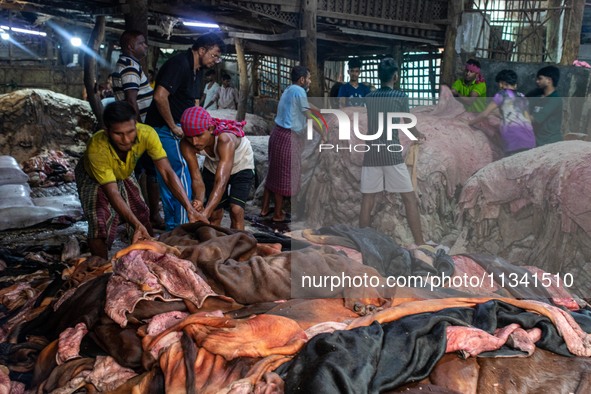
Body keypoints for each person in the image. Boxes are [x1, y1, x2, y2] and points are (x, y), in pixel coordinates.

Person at [75, 101, 206, 259]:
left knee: (141, 213)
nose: (126, 139)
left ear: (136, 124)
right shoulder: (97, 148)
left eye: (130, 132)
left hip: (123, 171)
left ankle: (147, 262)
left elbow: (167, 172)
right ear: (107, 131)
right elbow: (113, 193)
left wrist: (189, 208)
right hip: (93, 176)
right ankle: (101, 267)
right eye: (118, 134)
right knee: (99, 221)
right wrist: (135, 224)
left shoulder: (147, 133)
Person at [145, 32, 225, 230]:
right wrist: (173, 126)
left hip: (182, 130)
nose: (216, 61)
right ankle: (181, 228)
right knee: (179, 177)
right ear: (201, 49)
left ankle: (174, 226)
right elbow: (160, 96)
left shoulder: (197, 71)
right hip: (166, 129)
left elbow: (195, 104)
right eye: (214, 55)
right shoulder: (179, 64)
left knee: (173, 178)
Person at [359, 57, 426, 246]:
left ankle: (363, 241)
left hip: (371, 152)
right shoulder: (400, 97)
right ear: (395, 76)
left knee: (368, 198)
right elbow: (409, 123)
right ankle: (420, 243)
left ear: (379, 76)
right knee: (409, 199)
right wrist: (418, 135)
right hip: (391, 154)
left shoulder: (370, 97)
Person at [111, 29, 164, 230]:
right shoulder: (130, 67)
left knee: (138, 172)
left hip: (135, 127)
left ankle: (137, 214)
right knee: (149, 172)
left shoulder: (126, 65)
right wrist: (138, 129)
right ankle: (152, 216)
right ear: (131, 46)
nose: (146, 46)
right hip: (138, 128)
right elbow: (131, 100)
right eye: (142, 42)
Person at [260, 65, 325, 223]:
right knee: (285, 176)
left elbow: (308, 106)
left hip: (277, 134)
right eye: (308, 78)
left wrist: (323, 111)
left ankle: (264, 209)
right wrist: (324, 133)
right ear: (302, 79)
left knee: (273, 173)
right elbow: (308, 114)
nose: (309, 81)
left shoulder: (290, 89)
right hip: (288, 138)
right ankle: (277, 214)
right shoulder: (299, 91)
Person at [179, 106, 255, 230]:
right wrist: (198, 202)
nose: (194, 142)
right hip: (214, 165)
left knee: (236, 210)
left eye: (199, 135)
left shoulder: (225, 140)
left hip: (241, 163)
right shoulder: (186, 144)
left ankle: (239, 243)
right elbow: (196, 177)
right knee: (215, 213)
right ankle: (214, 243)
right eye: (189, 137)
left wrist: (204, 214)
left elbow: (221, 183)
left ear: (210, 129)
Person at [469, 69, 535, 156]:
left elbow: (485, 114)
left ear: (501, 83)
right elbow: (528, 119)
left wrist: (470, 123)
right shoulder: (522, 97)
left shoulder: (502, 94)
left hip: (513, 140)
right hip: (530, 140)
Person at [526, 65, 563, 146]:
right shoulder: (538, 97)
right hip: (536, 141)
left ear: (549, 80)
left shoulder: (555, 99)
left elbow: (534, 119)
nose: (537, 81)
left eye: (540, 78)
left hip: (549, 143)